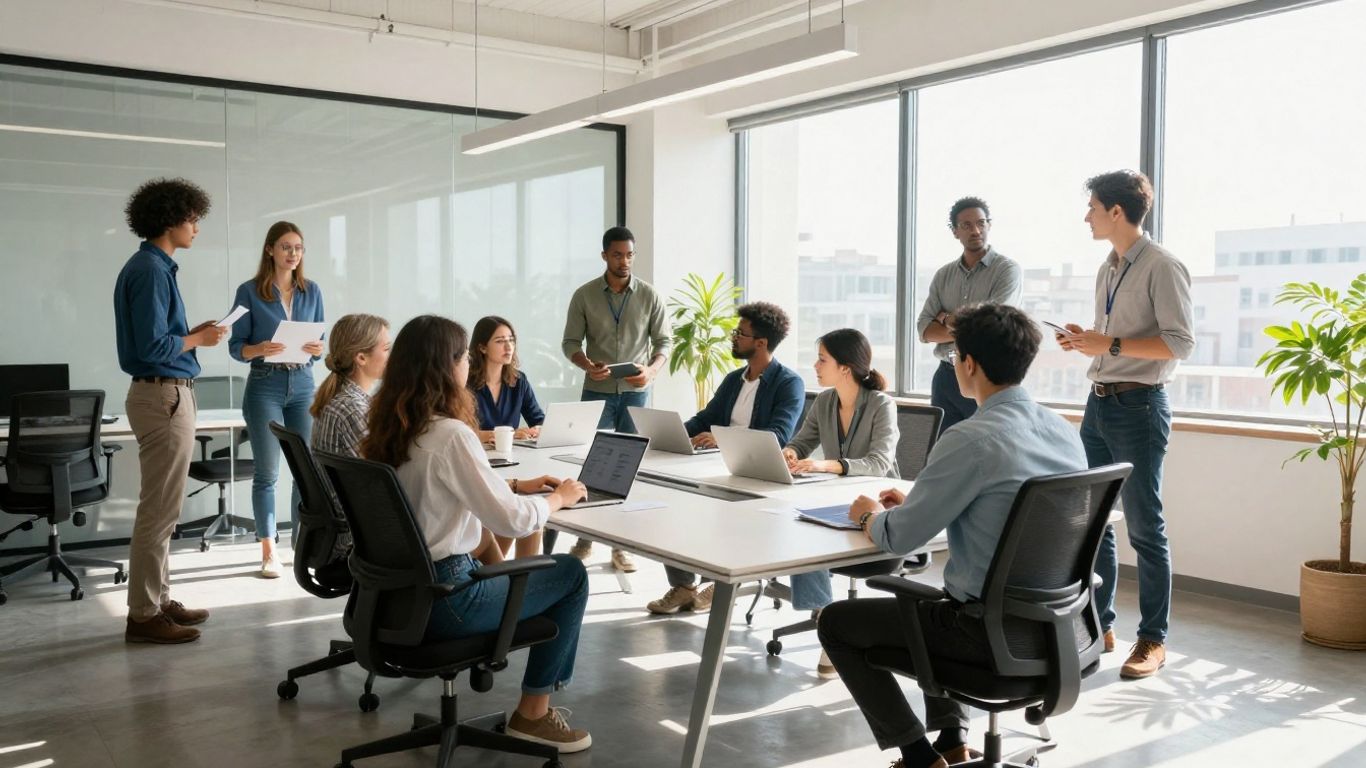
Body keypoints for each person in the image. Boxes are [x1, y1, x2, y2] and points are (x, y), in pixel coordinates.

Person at [818, 303, 1087, 768]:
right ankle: (951, 741)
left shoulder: (970, 438)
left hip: (983, 637)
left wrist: (866, 515)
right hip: (1057, 630)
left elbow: (898, 540)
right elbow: (1008, 510)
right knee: (935, 604)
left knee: (837, 624)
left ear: (969, 364)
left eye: (954, 355)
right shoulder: (1062, 431)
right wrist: (923, 504)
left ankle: (919, 757)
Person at [361, 315, 593, 753]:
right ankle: (533, 715)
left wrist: (513, 487)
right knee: (571, 574)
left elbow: (438, 495)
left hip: (394, 598)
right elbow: (515, 521)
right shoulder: (450, 435)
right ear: (445, 367)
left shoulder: (390, 429)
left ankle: (537, 707)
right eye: (463, 357)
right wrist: (559, 497)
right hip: (449, 601)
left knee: (509, 553)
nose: (468, 365)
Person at [1058, 170, 1193, 680]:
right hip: (1098, 405)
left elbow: (1178, 343)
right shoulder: (1107, 269)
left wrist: (1108, 345)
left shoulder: (1162, 266)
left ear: (1117, 211)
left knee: (1144, 527)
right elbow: (1115, 337)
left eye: (1092, 207)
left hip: (1140, 408)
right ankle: (1101, 625)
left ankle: (1153, 639)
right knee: (1096, 523)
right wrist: (1088, 339)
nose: (1086, 216)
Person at [114, 177, 225, 644]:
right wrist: (197, 339)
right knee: (158, 511)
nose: (196, 227)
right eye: (192, 218)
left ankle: (157, 598)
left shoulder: (153, 267)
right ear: (171, 219)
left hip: (167, 392)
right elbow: (154, 345)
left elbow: (161, 338)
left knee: (164, 508)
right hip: (163, 396)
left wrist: (192, 333)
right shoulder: (151, 270)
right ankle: (143, 614)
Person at [646, 302, 804, 615]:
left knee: (708, 510)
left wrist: (721, 438)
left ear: (760, 343)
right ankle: (683, 585)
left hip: (756, 473)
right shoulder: (735, 379)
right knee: (667, 500)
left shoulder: (789, 383)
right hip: (716, 465)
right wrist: (672, 432)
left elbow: (777, 435)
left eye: (740, 334)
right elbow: (707, 417)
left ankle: (721, 580)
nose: (733, 338)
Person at [780, 327, 898, 678]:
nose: (815, 366)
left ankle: (829, 627)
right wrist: (790, 453)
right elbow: (801, 443)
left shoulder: (881, 405)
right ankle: (827, 618)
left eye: (822, 359)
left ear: (845, 368)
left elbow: (879, 463)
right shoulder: (825, 401)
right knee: (796, 521)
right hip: (832, 499)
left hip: (875, 505)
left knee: (808, 529)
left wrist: (826, 464)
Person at [559, 226, 671, 572]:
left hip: (637, 393)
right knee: (592, 465)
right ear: (605, 255)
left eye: (630, 254)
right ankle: (587, 538)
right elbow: (570, 344)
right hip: (597, 391)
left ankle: (621, 546)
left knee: (630, 470)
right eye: (618, 254)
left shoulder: (650, 296)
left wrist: (651, 372)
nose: (625, 261)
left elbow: (664, 343)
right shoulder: (585, 295)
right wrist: (586, 365)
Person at [229, 221, 326, 579]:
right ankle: (269, 551)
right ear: (270, 249)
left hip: (302, 384)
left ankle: (301, 548)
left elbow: (318, 342)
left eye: (298, 247)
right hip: (265, 384)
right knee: (267, 473)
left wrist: (317, 349)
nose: (293, 254)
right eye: (286, 247)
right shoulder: (249, 292)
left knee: (306, 472)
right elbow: (236, 347)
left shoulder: (311, 290)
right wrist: (260, 348)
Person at [915, 197, 1023, 434]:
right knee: (944, 451)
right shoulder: (944, 275)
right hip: (945, 376)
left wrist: (944, 318)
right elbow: (924, 329)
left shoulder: (1007, 270)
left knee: (986, 448)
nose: (976, 230)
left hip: (985, 375)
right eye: (966, 225)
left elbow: (991, 327)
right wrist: (966, 324)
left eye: (981, 223)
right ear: (955, 232)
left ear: (989, 225)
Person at [308, 313, 390, 561]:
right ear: (361, 358)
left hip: (345, 531)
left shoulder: (346, 400)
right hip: (354, 541)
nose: (392, 357)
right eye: (386, 349)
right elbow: (382, 485)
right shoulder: (352, 409)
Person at [468, 314, 548, 559]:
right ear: (482, 347)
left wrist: (537, 429)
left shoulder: (518, 381)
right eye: (500, 341)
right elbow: (459, 431)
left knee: (528, 508)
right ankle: (497, 571)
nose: (508, 346)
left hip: (511, 462)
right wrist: (500, 434)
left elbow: (538, 418)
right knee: (516, 509)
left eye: (511, 340)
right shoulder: (466, 383)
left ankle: (522, 576)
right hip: (478, 463)